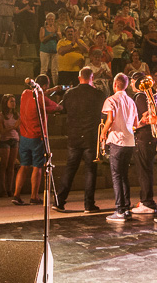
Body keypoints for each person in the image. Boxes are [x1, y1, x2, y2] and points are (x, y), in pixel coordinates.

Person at [54, 67, 105, 213]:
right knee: (90, 171)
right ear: (92, 78)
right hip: (90, 136)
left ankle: (59, 201)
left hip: (74, 136)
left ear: (79, 78)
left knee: (70, 169)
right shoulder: (98, 94)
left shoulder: (70, 93)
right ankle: (89, 204)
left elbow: (63, 109)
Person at [12, 75, 62, 206]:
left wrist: (52, 90)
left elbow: (39, 94)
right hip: (37, 137)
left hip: (24, 136)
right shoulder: (41, 99)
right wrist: (57, 106)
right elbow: (56, 107)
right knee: (37, 167)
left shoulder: (25, 94)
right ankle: (34, 196)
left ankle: (16, 195)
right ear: (44, 86)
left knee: (24, 166)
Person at [100, 73, 139, 221]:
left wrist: (103, 133)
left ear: (115, 85)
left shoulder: (111, 100)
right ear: (126, 85)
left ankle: (119, 209)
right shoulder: (131, 101)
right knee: (124, 175)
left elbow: (110, 119)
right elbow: (135, 124)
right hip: (129, 141)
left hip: (117, 140)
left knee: (116, 176)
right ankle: (126, 208)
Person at [131, 73, 157, 214]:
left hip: (144, 138)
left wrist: (135, 126)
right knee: (146, 170)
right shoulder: (152, 97)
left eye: (132, 82)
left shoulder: (140, 96)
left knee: (144, 171)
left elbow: (146, 117)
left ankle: (147, 202)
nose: (131, 85)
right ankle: (145, 200)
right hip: (151, 138)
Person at [0, 94, 20, 197]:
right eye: (11, 101)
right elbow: (1, 130)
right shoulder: (1, 115)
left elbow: (18, 129)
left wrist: (18, 127)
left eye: (14, 101)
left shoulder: (16, 115)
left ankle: (10, 189)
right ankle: (3, 189)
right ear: (6, 103)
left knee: (11, 165)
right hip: (5, 140)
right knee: (4, 165)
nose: (13, 103)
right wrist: (12, 127)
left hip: (15, 139)